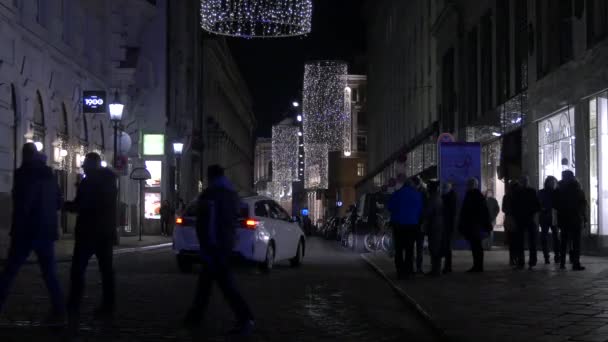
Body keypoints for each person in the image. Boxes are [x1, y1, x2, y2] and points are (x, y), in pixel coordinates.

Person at [184, 165, 255, 335]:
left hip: (214, 246)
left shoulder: (211, 195)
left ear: (210, 177)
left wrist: (208, 245)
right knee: (207, 284)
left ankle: (246, 318)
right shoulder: (231, 194)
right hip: (223, 244)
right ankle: (195, 316)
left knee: (225, 286)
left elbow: (207, 224)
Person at [0, 143, 65, 325]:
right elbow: (59, 203)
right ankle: (60, 310)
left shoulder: (24, 174)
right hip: (46, 230)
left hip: (26, 231)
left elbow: (23, 204)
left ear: (24, 155)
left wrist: (18, 227)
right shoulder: (49, 175)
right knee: (50, 274)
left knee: (9, 272)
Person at [65, 152, 117, 319]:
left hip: (88, 232)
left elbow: (82, 205)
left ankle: (74, 303)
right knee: (106, 271)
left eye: (85, 164)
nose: (83, 166)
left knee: (78, 269)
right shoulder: (110, 182)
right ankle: (109, 305)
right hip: (105, 232)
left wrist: (65, 205)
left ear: (91, 165)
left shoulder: (89, 182)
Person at [388, 178, 424, 279]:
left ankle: (400, 271)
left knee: (399, 249)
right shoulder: (417, 194)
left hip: (398, 225)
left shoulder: (397, 194)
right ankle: (409, 270)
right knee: (410, 248)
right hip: (412, 225)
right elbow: (421, 210)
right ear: (412, 185)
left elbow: (390, 207)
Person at [554, 170, 587, 271]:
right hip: (575, 218)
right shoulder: (576, 187)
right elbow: (583, 204)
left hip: (564, 218)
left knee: (564, 241)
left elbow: (555, 203)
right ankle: (575, 263)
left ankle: (563, 262)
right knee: (576, 242)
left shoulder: (559, 188)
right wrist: (584, 218)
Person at [458, 177, 492, 273]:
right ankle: (478, 266)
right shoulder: (478, 196)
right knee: (476, 246)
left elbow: (467, 212)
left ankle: (478, 266)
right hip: (476, 225)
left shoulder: (471, 196)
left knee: (476, 246)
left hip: (473, 225)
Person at [511, 176, 541, 270]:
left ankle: (524, 262)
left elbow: (514, 206)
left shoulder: (518, 192)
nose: (524, 183)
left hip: (523, 218)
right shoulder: (529, 191)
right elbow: (537, 205)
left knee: (522, 242)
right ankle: (529, 262)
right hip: (527, 218)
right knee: (529, 241)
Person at [538, 176, 560, 264]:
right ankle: (547, 256)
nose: (553, 184)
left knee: (555, 237)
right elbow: (539, 203)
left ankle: (556, 256)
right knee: (546, 237)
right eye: (552, 182)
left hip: (551, 216)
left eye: (554, 182)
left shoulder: (555, 192)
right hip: (546, 216)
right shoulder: (544, 192)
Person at [423, 181, 443, 276]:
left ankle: (435, 270)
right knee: (436, 248)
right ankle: (436, 269)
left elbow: (428, 212)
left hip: (434, 226)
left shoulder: (432, 199)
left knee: (434, 248)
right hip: (438, 226)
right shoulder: (438, 198)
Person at [411, 176, 427, 274]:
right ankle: (416, 268)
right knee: (416, 247)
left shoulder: (421, 192)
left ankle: (417, 268)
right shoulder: (423, 192)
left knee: (418, 247)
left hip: (417, 223)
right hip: (416, 223)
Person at [441, 181, 458, 274]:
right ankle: (447, 266)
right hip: (448, 225)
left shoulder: (449, 197)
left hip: (447, 225)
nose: (443, 189)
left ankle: (447, 267)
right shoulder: (450, 196)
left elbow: (449, 213)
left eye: (444, 187)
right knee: (447, 246)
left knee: (447, 247)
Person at [502, 181, 519, 266]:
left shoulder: (506, 196)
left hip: (509, 219)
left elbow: (503, 209)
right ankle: (515, 258)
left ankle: (512, 258)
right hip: (515, 219)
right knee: (516, 240)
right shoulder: (517, 196)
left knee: (512, 240)